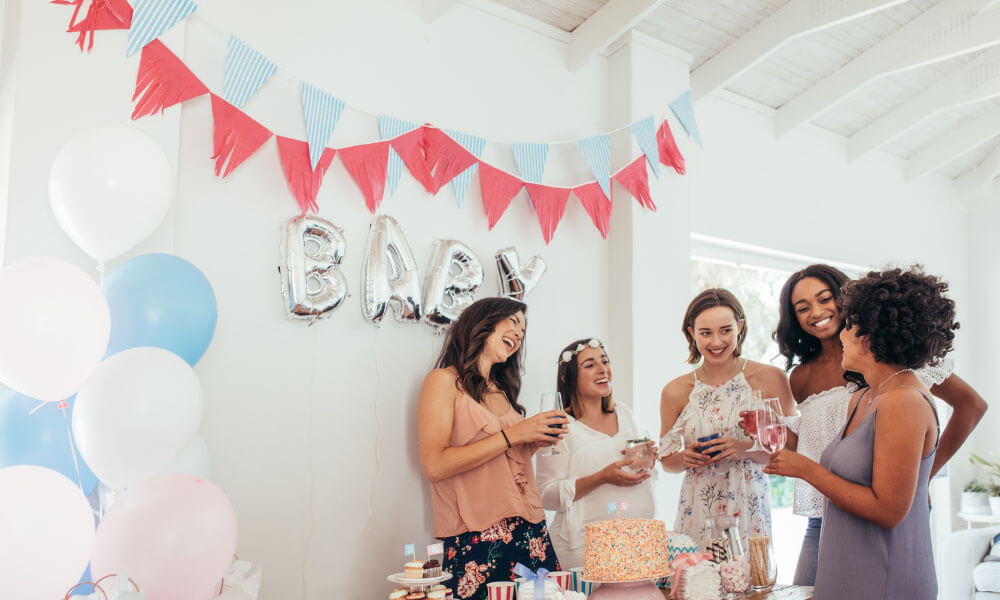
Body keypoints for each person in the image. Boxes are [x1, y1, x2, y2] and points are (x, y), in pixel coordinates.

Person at [773, 264, 986, 585]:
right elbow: (813, 444)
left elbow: (971, 406)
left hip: (879, 507)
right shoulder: (802, 377)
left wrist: (921, 476)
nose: (815, 312)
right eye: (802, 307)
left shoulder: (898, 369)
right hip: (824, 512)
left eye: (824, 298)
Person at [417, 297, 565, 600]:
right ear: (483, 322)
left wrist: (532, 442)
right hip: (478, 534)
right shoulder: (443, 381)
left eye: (523, 330)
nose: (519, 333)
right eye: (513, 321)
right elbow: (435, 465)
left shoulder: (503, 391)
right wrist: (515, 433)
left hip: (531, 528)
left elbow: (503, 462)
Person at [660, 288, 795, 545]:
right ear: (691, 333)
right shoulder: (675, 391)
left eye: (725, 330)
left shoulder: (771, 378)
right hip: (697, 509)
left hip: (748, 506)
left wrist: (745, 450)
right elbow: (667, 462)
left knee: (752, 580)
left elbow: (791, 452)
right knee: (698, 581)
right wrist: (685, 458)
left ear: (740, 327)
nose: (716, 342)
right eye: (705, 333)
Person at [536, 338, 656, 569]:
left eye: (605, 361)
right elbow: (547, 495)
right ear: (567, 378)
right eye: (590, 365)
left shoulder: (624, 412)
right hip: (584, 550)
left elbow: (636, 465)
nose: (603, 369)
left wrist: (647, 458)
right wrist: (601, 477)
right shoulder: (558, 425)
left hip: (638, 541)